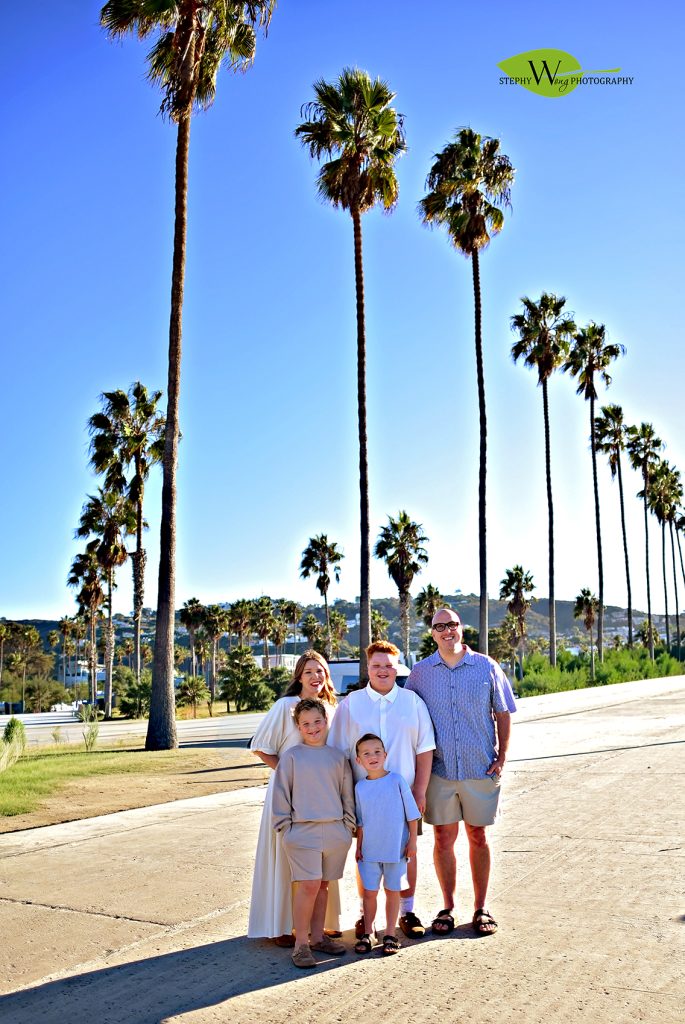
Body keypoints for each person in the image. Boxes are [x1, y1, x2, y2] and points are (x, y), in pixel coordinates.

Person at [405, 607, 516, 937]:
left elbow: (503, 712)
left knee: (477, 835)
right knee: (443, 838)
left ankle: (481, 907)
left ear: (461, 628)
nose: (447, 631)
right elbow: (407, 715)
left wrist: (503, 755)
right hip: (438, 771)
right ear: (433, 634)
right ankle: (448, 906)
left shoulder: (486, 666)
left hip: (479, 767)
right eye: (439, 626)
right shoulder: (420, 673)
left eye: (452, 624)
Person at [327, 639, 435, 940]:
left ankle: (407, 911)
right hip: (365, 799)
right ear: (368, 667)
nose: (383, 670)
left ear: (397, 667)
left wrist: (420, 791)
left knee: (407, 853)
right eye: (376, 665)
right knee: (366, 856)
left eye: (388, 665)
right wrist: (344, 797)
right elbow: (338, 752)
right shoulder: (351, 704)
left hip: (403, 797)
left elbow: (425, 749)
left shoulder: (412, 702)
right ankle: (367, 915)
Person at [248, 650, 340, 946]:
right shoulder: (285, 706)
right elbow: (260, 746)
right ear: (299, 676)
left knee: (320, 864)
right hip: (288, 795)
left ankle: (319, 927)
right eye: (309, 671)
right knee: (286, 859)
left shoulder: (333, 709)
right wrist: (291, 775)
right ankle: (282, 926)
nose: (315, 676)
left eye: (320, 670)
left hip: (322, 796)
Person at [272, 698, 355, 968]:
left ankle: (318, 937)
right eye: (306, 723)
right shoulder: (292, 757)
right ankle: (301, 944)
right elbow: (281, 793)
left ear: (326, 721)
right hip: (302, 832)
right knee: (308, 885)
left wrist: (347, 828)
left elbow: (347, 795)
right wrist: (286, 829)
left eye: (317, 721)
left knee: (323, 886)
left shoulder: (337, 757)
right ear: (298, 726)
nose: (313, 728)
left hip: (335, 831)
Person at [354, 733, 420, 956]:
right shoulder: (360, 787)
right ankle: (368, 933)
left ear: (385, 755)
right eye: (366, 753)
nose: (372, 756)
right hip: (370, 851)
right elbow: (361, 821)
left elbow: (412, 815)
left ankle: (390, 934)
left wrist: (412, 841)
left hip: (396, 849)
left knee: (392, 891)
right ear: (358, 760)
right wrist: (359, 846)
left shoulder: (397, 781)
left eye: (377, 752)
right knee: (369, 893)